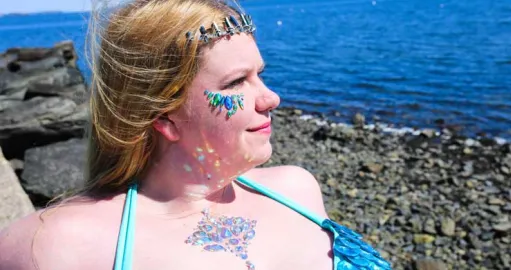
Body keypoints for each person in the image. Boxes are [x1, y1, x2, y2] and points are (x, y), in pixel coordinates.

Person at [0, 1, 391, 269]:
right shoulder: (56, 245)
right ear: (163, 117)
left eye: (260, 75)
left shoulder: (297, 191)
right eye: (236, 82)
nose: (271, 98)